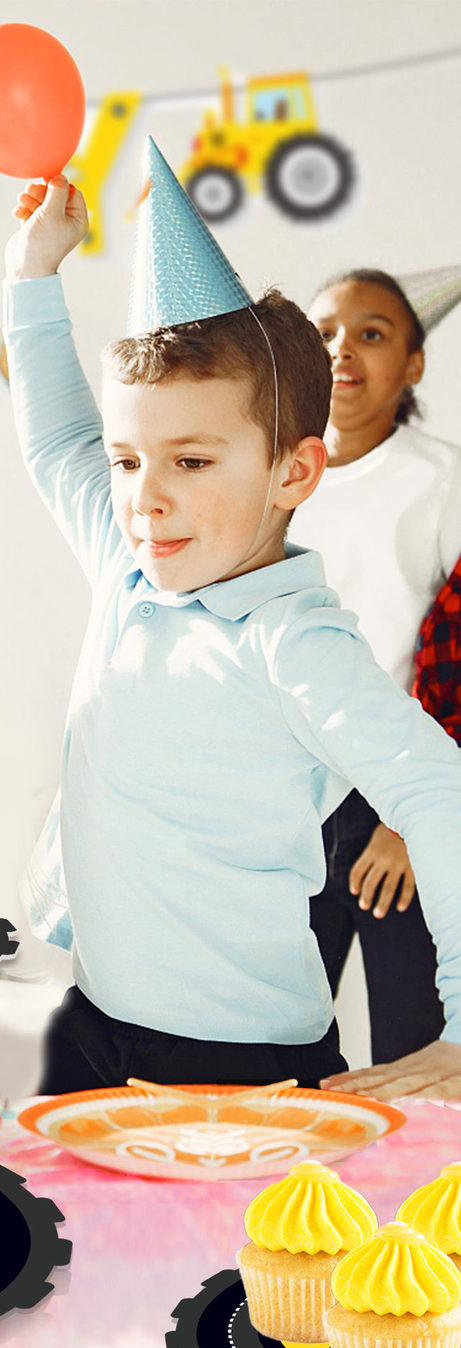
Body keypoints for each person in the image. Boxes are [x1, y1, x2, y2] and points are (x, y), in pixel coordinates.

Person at [4, 142, 461, 1094]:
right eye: (128, 459)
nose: (145, 499)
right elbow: (56, 442)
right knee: (69, 1238)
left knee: (247, 1252)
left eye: (192, 461)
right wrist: (32, 276)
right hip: (95, 1023)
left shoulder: (293, 641)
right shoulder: (126, 567)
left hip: (243, 1066)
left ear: (293, 471)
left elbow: (438, 792)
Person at [286, 270, 461, 1066]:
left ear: (414, 365)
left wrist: (405, 817)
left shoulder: (439, 480)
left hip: (397, 797)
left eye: (371, 332)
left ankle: (426, 1192)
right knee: (275, 1041)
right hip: (286, 796)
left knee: (411, 1040)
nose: (341, 350)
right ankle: (291, 1195)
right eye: (323, 332)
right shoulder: (275, 479)